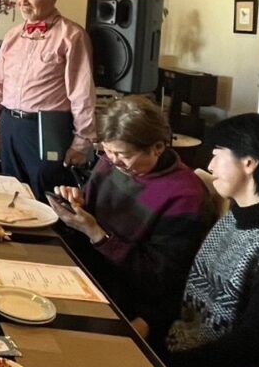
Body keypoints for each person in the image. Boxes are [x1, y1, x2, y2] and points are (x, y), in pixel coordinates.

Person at [47, 96, 214, 345]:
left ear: (158, 147)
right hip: (84, 271)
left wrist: (97, 234)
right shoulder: (110, 164)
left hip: (125, 297)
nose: (113, 160)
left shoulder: (185, 195)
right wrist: (76, 203)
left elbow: (158, 276)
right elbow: (93, 213)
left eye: (122, 154)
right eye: (107, 151)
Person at [163, 114, 259, 367]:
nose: (210, 166)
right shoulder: (234, 217)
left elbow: (252, 344)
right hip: (183, 351)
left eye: (217, 155)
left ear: (249, 163)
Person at [0, 0, 95, 197]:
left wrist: (81, 143)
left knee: (46, 195)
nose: (23, 2)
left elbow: (82, 93)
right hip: (10, 125)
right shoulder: (12, 35)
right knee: (11, 193)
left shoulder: (72, 36)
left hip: (46, 127)